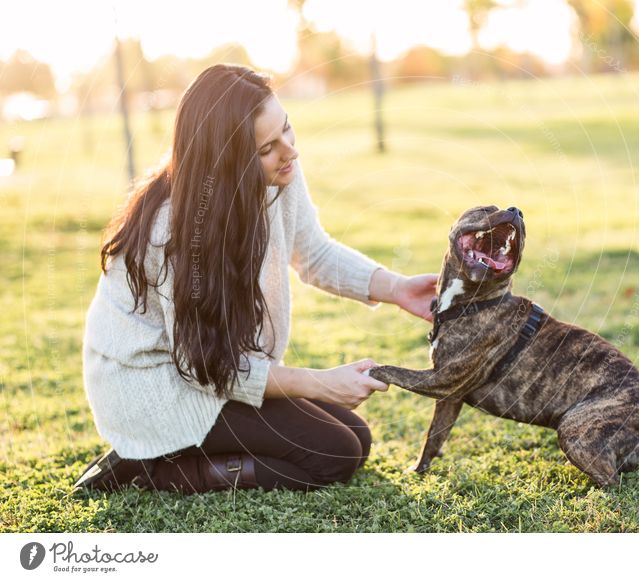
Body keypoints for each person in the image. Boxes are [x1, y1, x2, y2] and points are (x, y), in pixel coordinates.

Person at [73, 64, 438, 494]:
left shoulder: (278, 175)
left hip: (209, 371)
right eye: (267, 147)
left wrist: (396, 289)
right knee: (334, 453)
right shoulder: (174, 228)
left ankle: (173, 454)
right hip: (153, 387)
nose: (290, 151)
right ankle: (155, 467)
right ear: (226, 163)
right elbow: (203, 367)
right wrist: (322, 381)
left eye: (288, 129)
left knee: (356, 439)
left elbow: (313, 251)